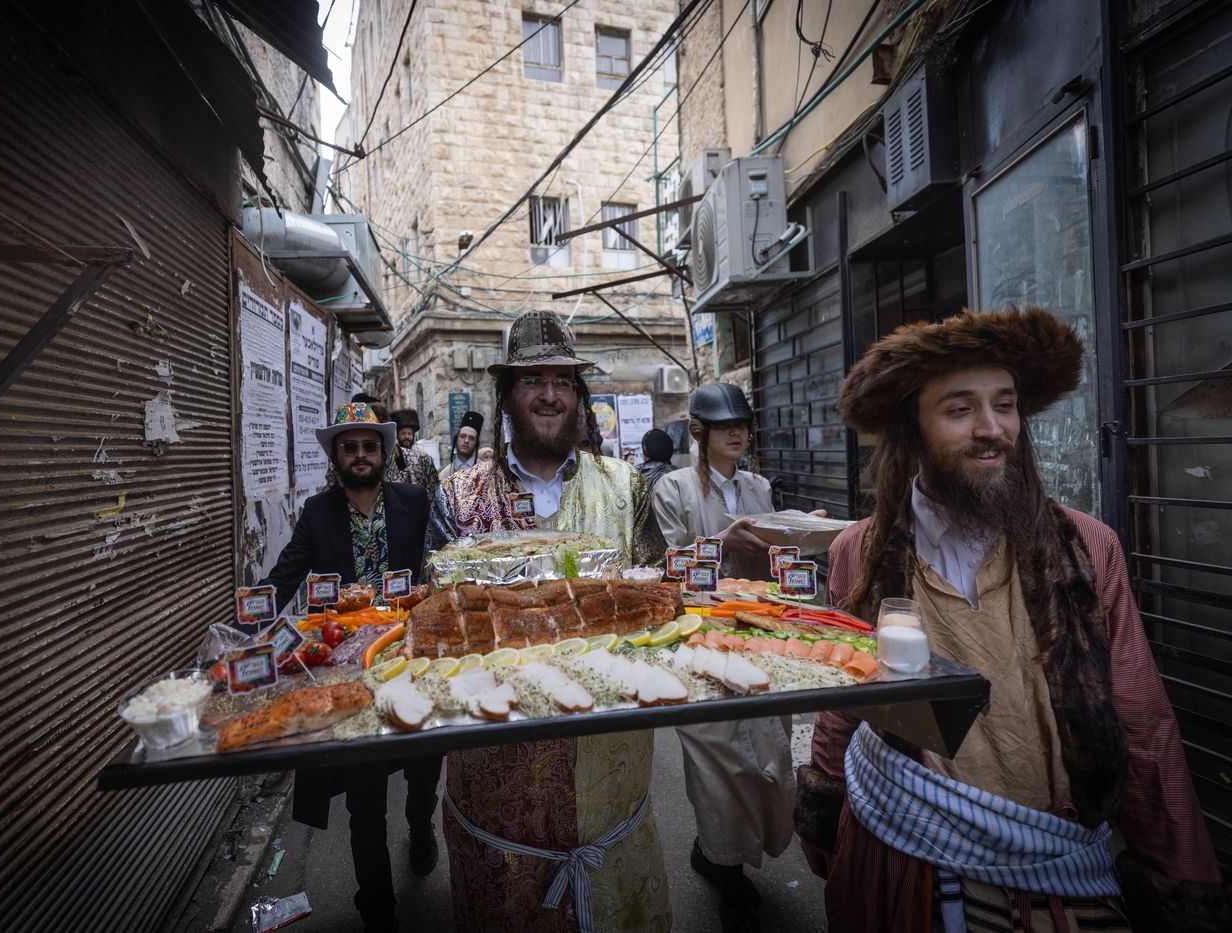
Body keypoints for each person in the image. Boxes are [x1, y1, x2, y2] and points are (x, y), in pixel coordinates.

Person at [797, 307, 1225, 932]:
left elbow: (1141, 714)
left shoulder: (1087, 546)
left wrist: (1181, 870)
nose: (992, 428)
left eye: (1006, 404)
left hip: (1053, 851)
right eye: (960, 408)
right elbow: (845, 690)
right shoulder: (859, 551)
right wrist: (826, 801)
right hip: (904, 843)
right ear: (913, 428)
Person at [432, 310, 672, 932]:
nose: (548, 394)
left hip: (608, 765)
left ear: (579, 396)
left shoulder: (626, 488)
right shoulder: (457, 495)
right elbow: (432, 628)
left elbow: (663, 608)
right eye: (532, 379)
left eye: (562, 380)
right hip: (495, 774)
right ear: (507, 395)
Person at [260, 402, 442, 933]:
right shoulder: (318, 513)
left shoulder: (412, 500)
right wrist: (246, 638)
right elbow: (285, 577)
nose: (360, 456)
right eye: (349, 447)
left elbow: (441, 560)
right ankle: (377, 905)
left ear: (384, 452)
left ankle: (422, 825)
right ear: (336, 456)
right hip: (347, 666)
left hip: (409, 653)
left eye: (368, 446)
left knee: (426, 760)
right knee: (365, 797)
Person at [651, 383, 793, 933]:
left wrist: (798, 542)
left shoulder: (760, 486)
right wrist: (721, 543)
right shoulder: (673, 487)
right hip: (701, 633)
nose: (738, 432)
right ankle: (722, 864)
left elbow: (776, 558)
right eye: (724, 425)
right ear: (700, 434)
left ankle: (734, 852)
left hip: (760, 630)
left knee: (769, 743)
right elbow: (666, 566)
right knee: (717, 754)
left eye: (743, 424)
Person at [439, 410, 484, 481]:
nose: (466, 441)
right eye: (463, 436)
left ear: (476, 443)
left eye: (471, 438)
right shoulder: (445, 474)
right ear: (456, 439)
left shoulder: (485, 471)